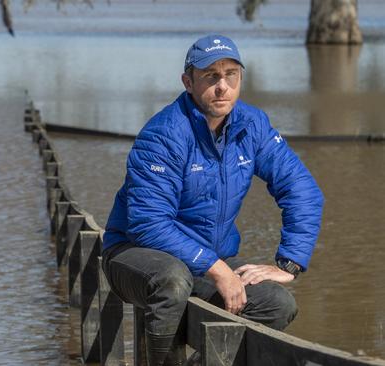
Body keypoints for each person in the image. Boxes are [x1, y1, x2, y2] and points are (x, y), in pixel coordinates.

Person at [100, 34, 324, 366]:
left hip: (205, 260)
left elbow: (302, 189)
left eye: (230, 74)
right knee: (172, 280)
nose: (222, 86)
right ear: (188, 82)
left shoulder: (252, 126)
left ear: (240, 78)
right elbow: (148, 223)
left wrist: (289, 263)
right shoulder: (163, 134)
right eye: (211, 76)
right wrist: (218, 269)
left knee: (277, 303)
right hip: (133, 255)